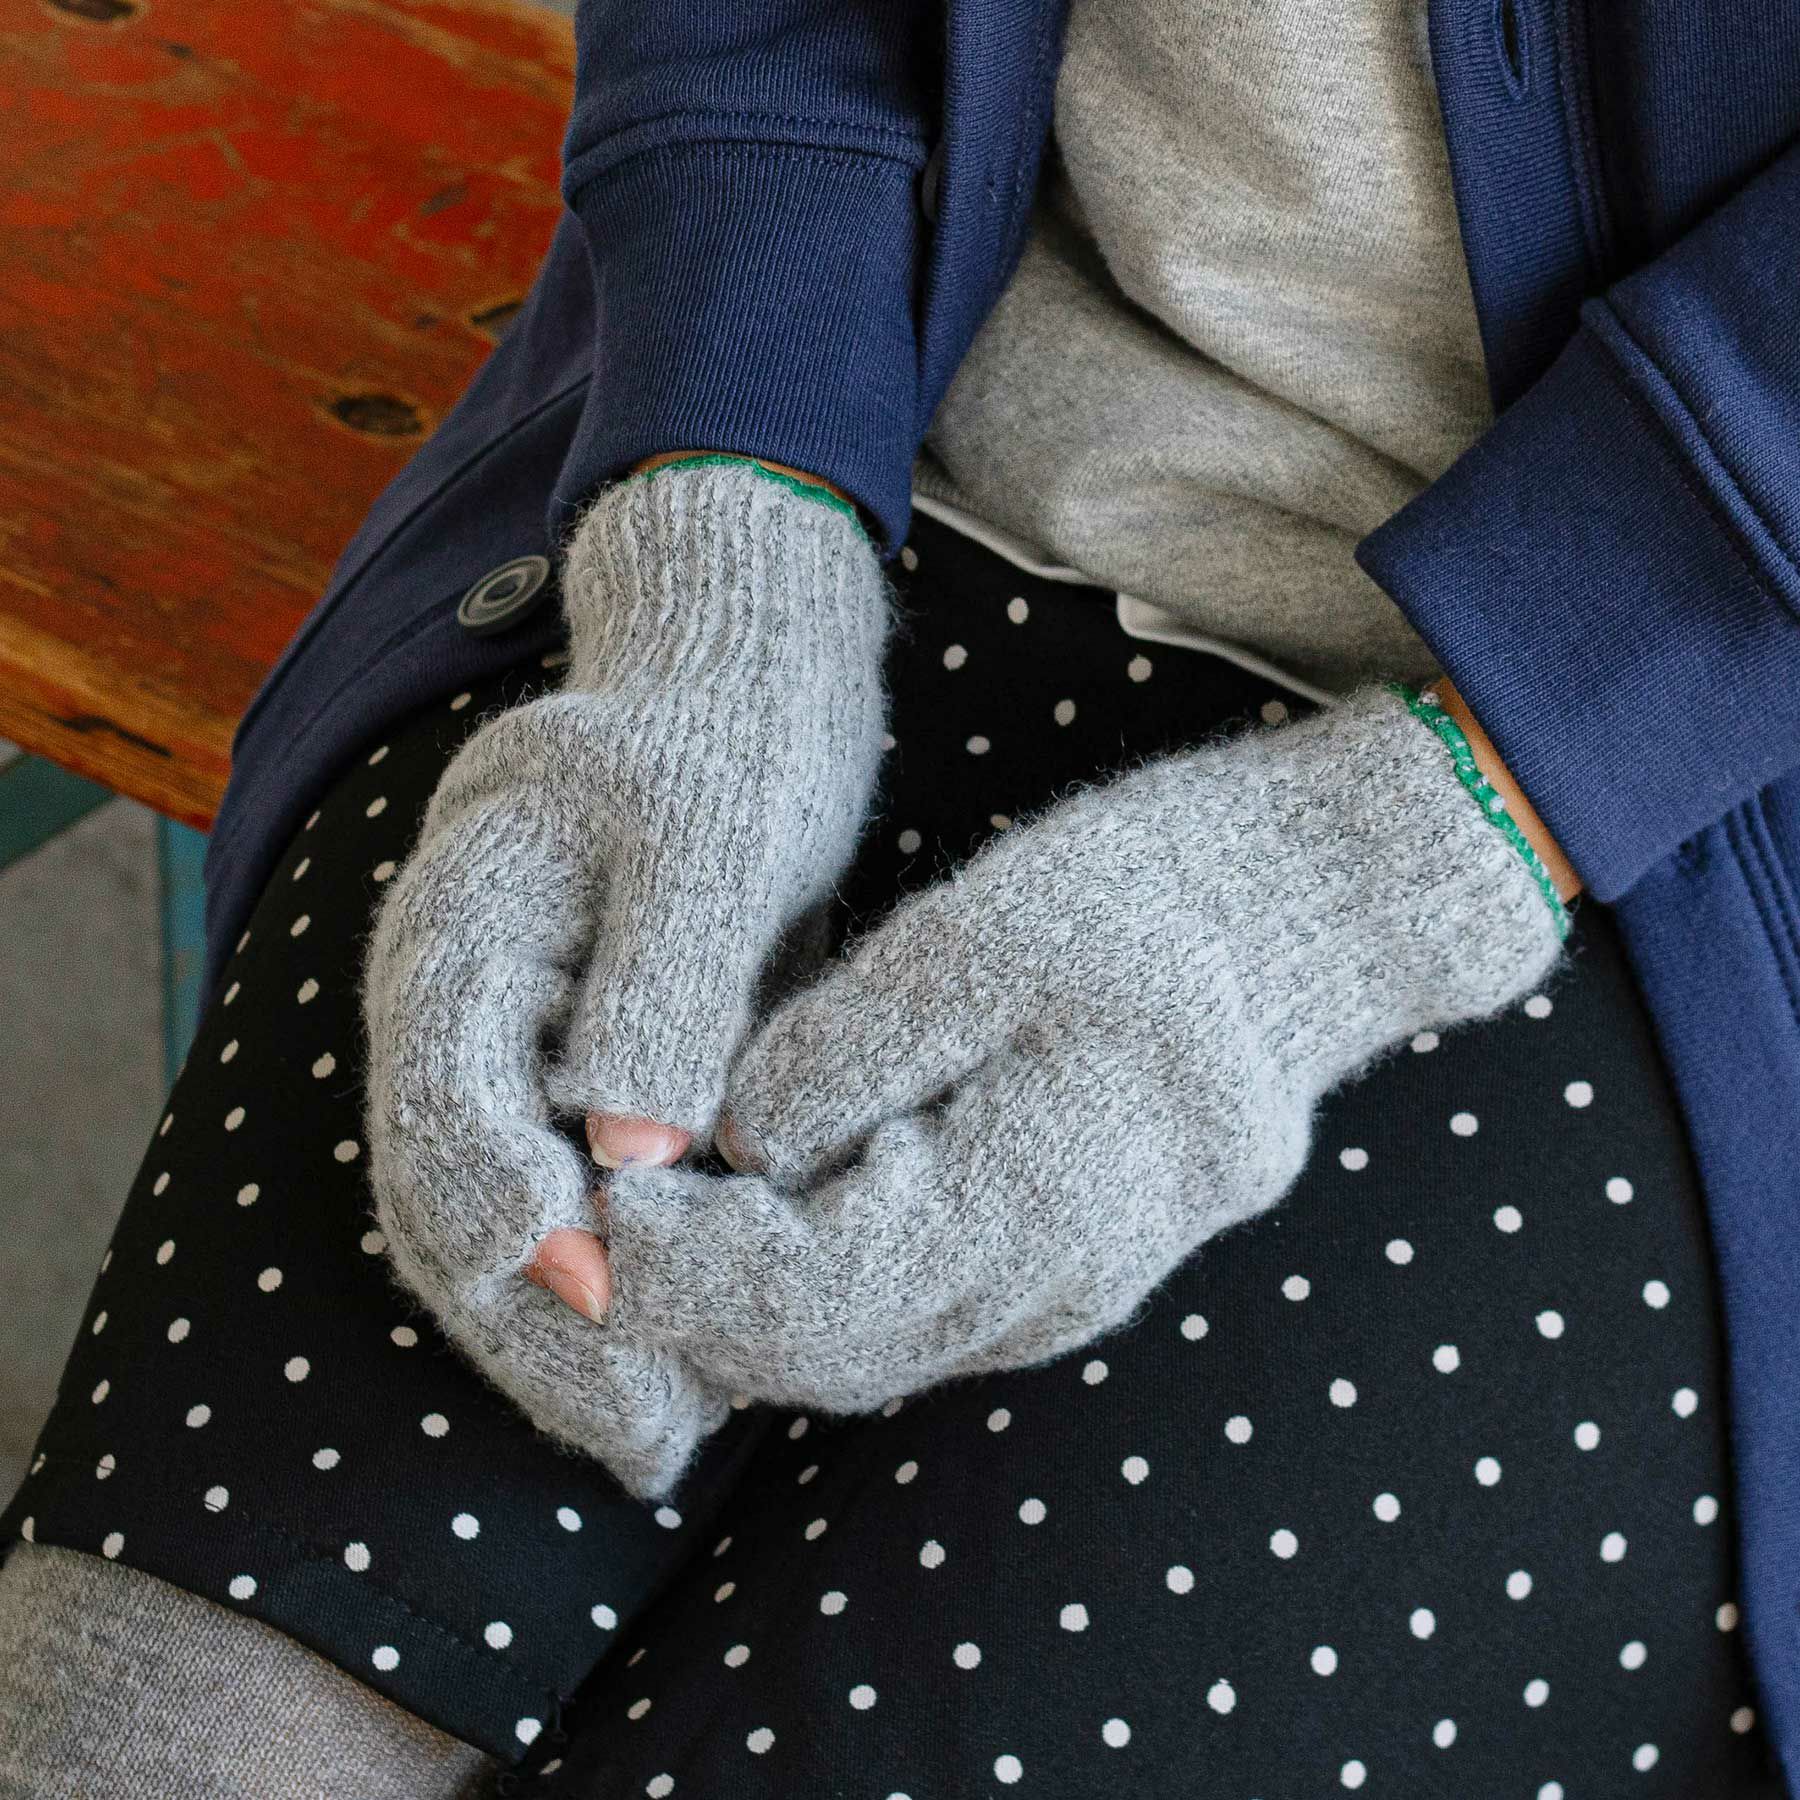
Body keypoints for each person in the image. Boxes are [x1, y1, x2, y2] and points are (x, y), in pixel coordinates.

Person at [2, 2, 1797, 1797]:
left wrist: (1377, 873)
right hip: (849, 403)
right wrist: (722, 560)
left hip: (1675, 786)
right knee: (154, 1743)